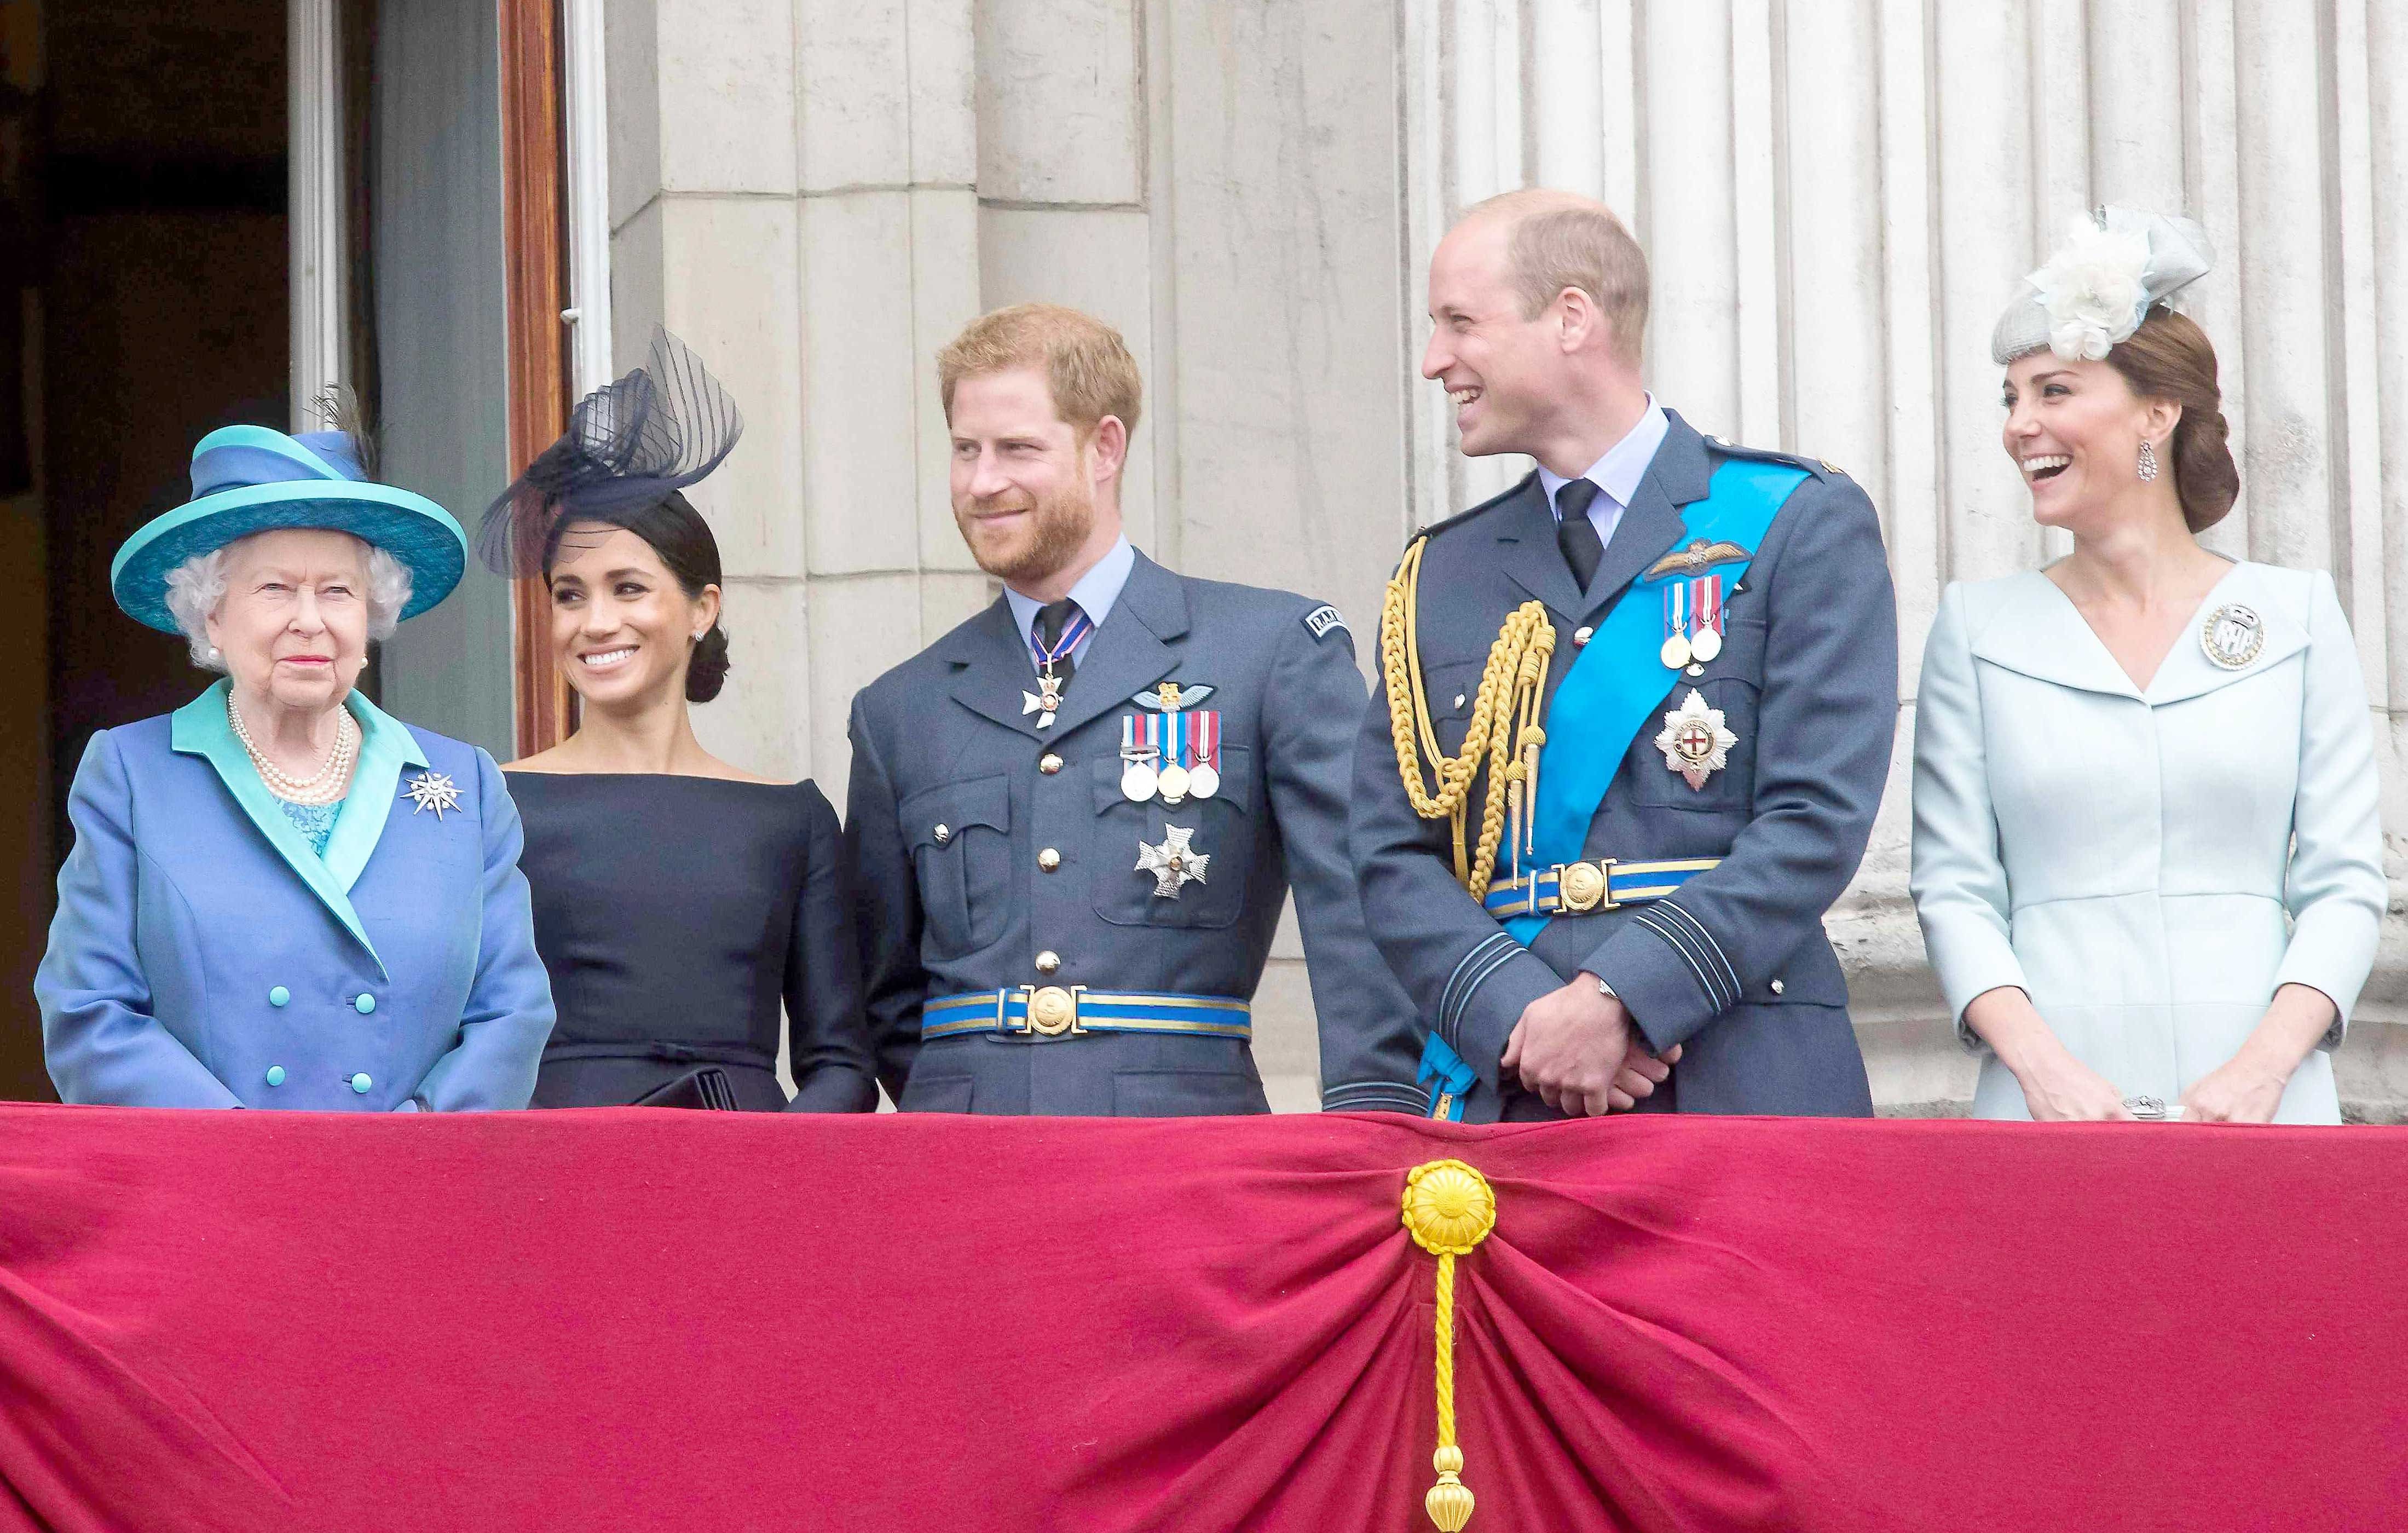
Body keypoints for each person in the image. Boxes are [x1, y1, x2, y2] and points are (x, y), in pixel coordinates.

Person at [1352, 189, 1898, 1122]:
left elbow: (1813, 822)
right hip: (1511, 1091)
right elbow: (1388, 851)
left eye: (1458, 324)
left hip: (1738, 1076)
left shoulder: (1792, 523)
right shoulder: (1439, 573)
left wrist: (1620, 999)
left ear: (1570, 318)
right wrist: (1518, 1013)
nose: (1432, 360)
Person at [845, 302, 1423, 1115]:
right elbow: (887, 999)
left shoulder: (1268, 650)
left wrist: (1375, 1124)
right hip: (964, 1165)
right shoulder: (900, 708)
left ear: (1104, 448)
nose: (981, 482)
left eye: (1017, 449)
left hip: (1182, 1152)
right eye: (964, 450)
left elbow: (1358, 914)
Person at [1911, 209, 2382, 1125]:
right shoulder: (1976, 630)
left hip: (2264, 1108)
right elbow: (1954, 888)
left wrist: (2262, 1071)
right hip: (2043, 1109)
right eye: (2010, 400)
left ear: (2155, 415)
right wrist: (2043, 1072)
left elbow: (2341, 883)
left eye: (2051, 392)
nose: (2019, 426)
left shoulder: (2293, 616)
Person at [36, 419, 555, 1109]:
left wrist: (417, 1141)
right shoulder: (132, 775)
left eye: (337, 591)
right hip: (212, 1188)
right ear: (212, 617)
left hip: (412, 1186)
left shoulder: (469, 784)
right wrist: (256, 1158)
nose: (309, 620)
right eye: (275, 588)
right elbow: (90, 1012)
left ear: (370, 617)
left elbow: (511, 1014)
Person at [487, 331, 877, 1113]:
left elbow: (842, 1063)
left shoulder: (791, 817)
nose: (594, 622)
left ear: (702, 608)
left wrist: (768, 1171)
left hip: (743, 1187)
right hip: (551, 1173)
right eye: (570, 594)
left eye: (627, 588)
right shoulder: (493, 803)